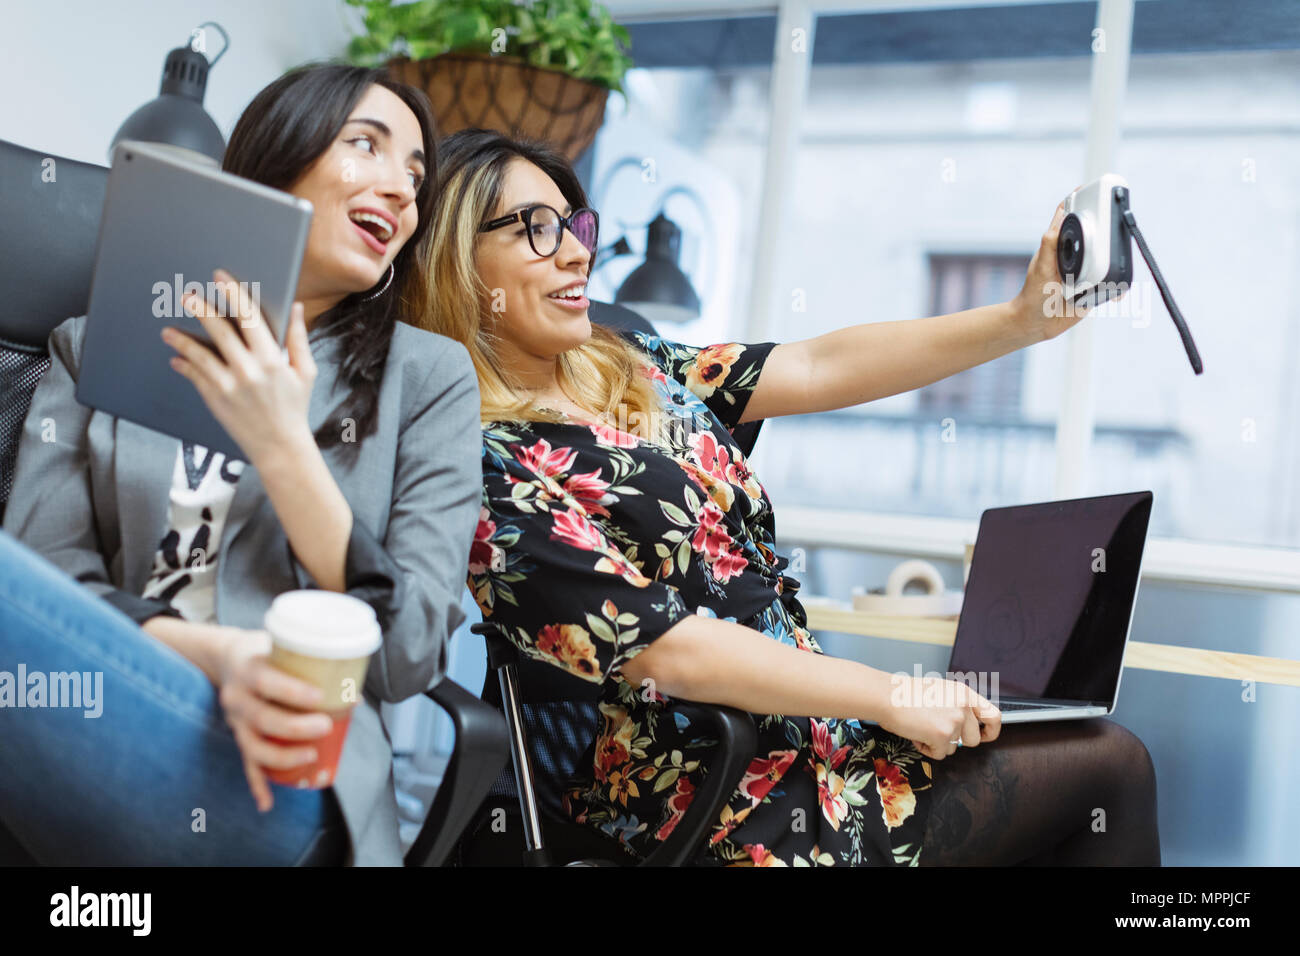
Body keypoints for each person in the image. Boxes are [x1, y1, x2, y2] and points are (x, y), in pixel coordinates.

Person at [416, 127, 1161, 867]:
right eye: (537, 230)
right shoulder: (484, 462)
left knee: (1082, 753)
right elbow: (668, 653)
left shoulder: (628, 364)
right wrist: (888, 693)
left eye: (575, 225)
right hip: (713, 793)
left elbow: (813, 365)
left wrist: (1020, 320)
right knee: (1110, 766)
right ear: (459, 258)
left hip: (813, 740)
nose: (578, 251)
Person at [0, 64, 482, 865]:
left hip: (277, 763)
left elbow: (405, 655)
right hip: (87, 705)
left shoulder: (427, 380)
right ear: (277, 154)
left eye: (415, 175)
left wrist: (282, 445)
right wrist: (218, 657)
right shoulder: (97, 344)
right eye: (367, 145)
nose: (401, 190)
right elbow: (43, 582)